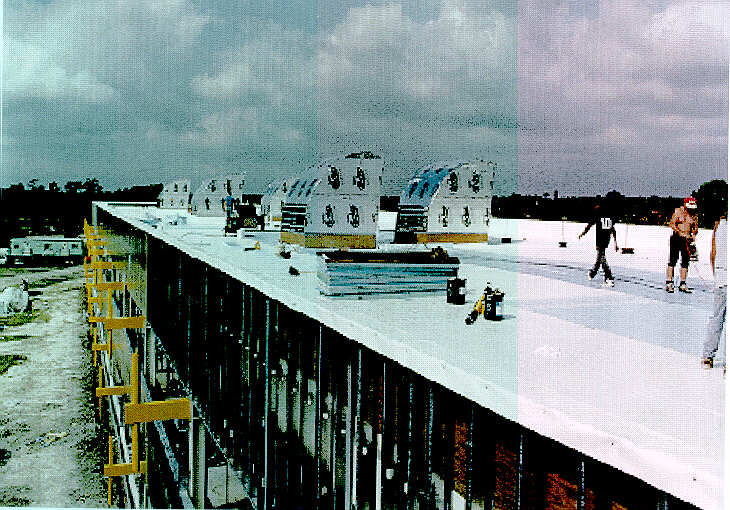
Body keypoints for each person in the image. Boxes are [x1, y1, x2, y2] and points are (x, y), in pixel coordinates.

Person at [701, 210, 727, 369]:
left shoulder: (719, 226)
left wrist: (716, 275)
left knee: (716, 318)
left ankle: (707, 357)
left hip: (721, 277)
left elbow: (713, 254)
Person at [578, 198, 619, 287]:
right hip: (603, 241)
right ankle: (594, 273)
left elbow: (610, 230)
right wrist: (615, 242)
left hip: (601, 241)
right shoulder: (602, 217)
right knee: (600, 258)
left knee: (602, 259)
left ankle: (607, 276)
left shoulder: (601, 217)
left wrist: (582, 234)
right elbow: (611, 230)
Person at [666, 197, 698, 293]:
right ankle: (669, 282)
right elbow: (672, 224)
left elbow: (695, 227)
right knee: (673, 260)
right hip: (677, 238)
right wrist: (679, 232)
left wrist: (693, 234)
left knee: (685, 261)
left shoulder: (694, 215)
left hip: (687, 239)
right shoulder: (678, 211)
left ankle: (683, 283)